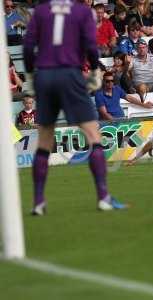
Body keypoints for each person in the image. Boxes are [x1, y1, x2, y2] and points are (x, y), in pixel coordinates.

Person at [23, 0, 127, 215]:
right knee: (92, 134)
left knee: (44, 140)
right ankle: (103, 197)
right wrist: (95, 67)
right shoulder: (81, 11)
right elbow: (90, 45)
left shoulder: (41, 10)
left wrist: (32, 73)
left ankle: (38, 202)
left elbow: (27, 47)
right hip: (69, 73)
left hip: (44, 74)